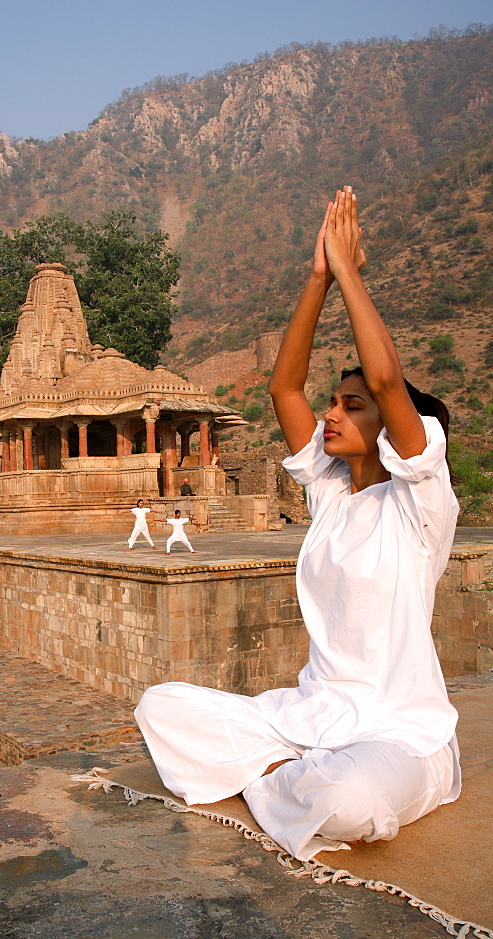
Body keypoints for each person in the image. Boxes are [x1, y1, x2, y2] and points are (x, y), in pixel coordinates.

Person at [135, 185, 460, 863]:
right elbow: (284, 388)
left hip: (397, 736)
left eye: (352, 406)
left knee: (354, 802)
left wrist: (350, 272)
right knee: (160, 707)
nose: (332, 415)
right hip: (310, 719)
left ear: (399, 432)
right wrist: (316, 277)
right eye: (335, 403)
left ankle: (277, 785)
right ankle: (286, 780)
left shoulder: (422, 504)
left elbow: (388, 378)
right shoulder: (333, 493)